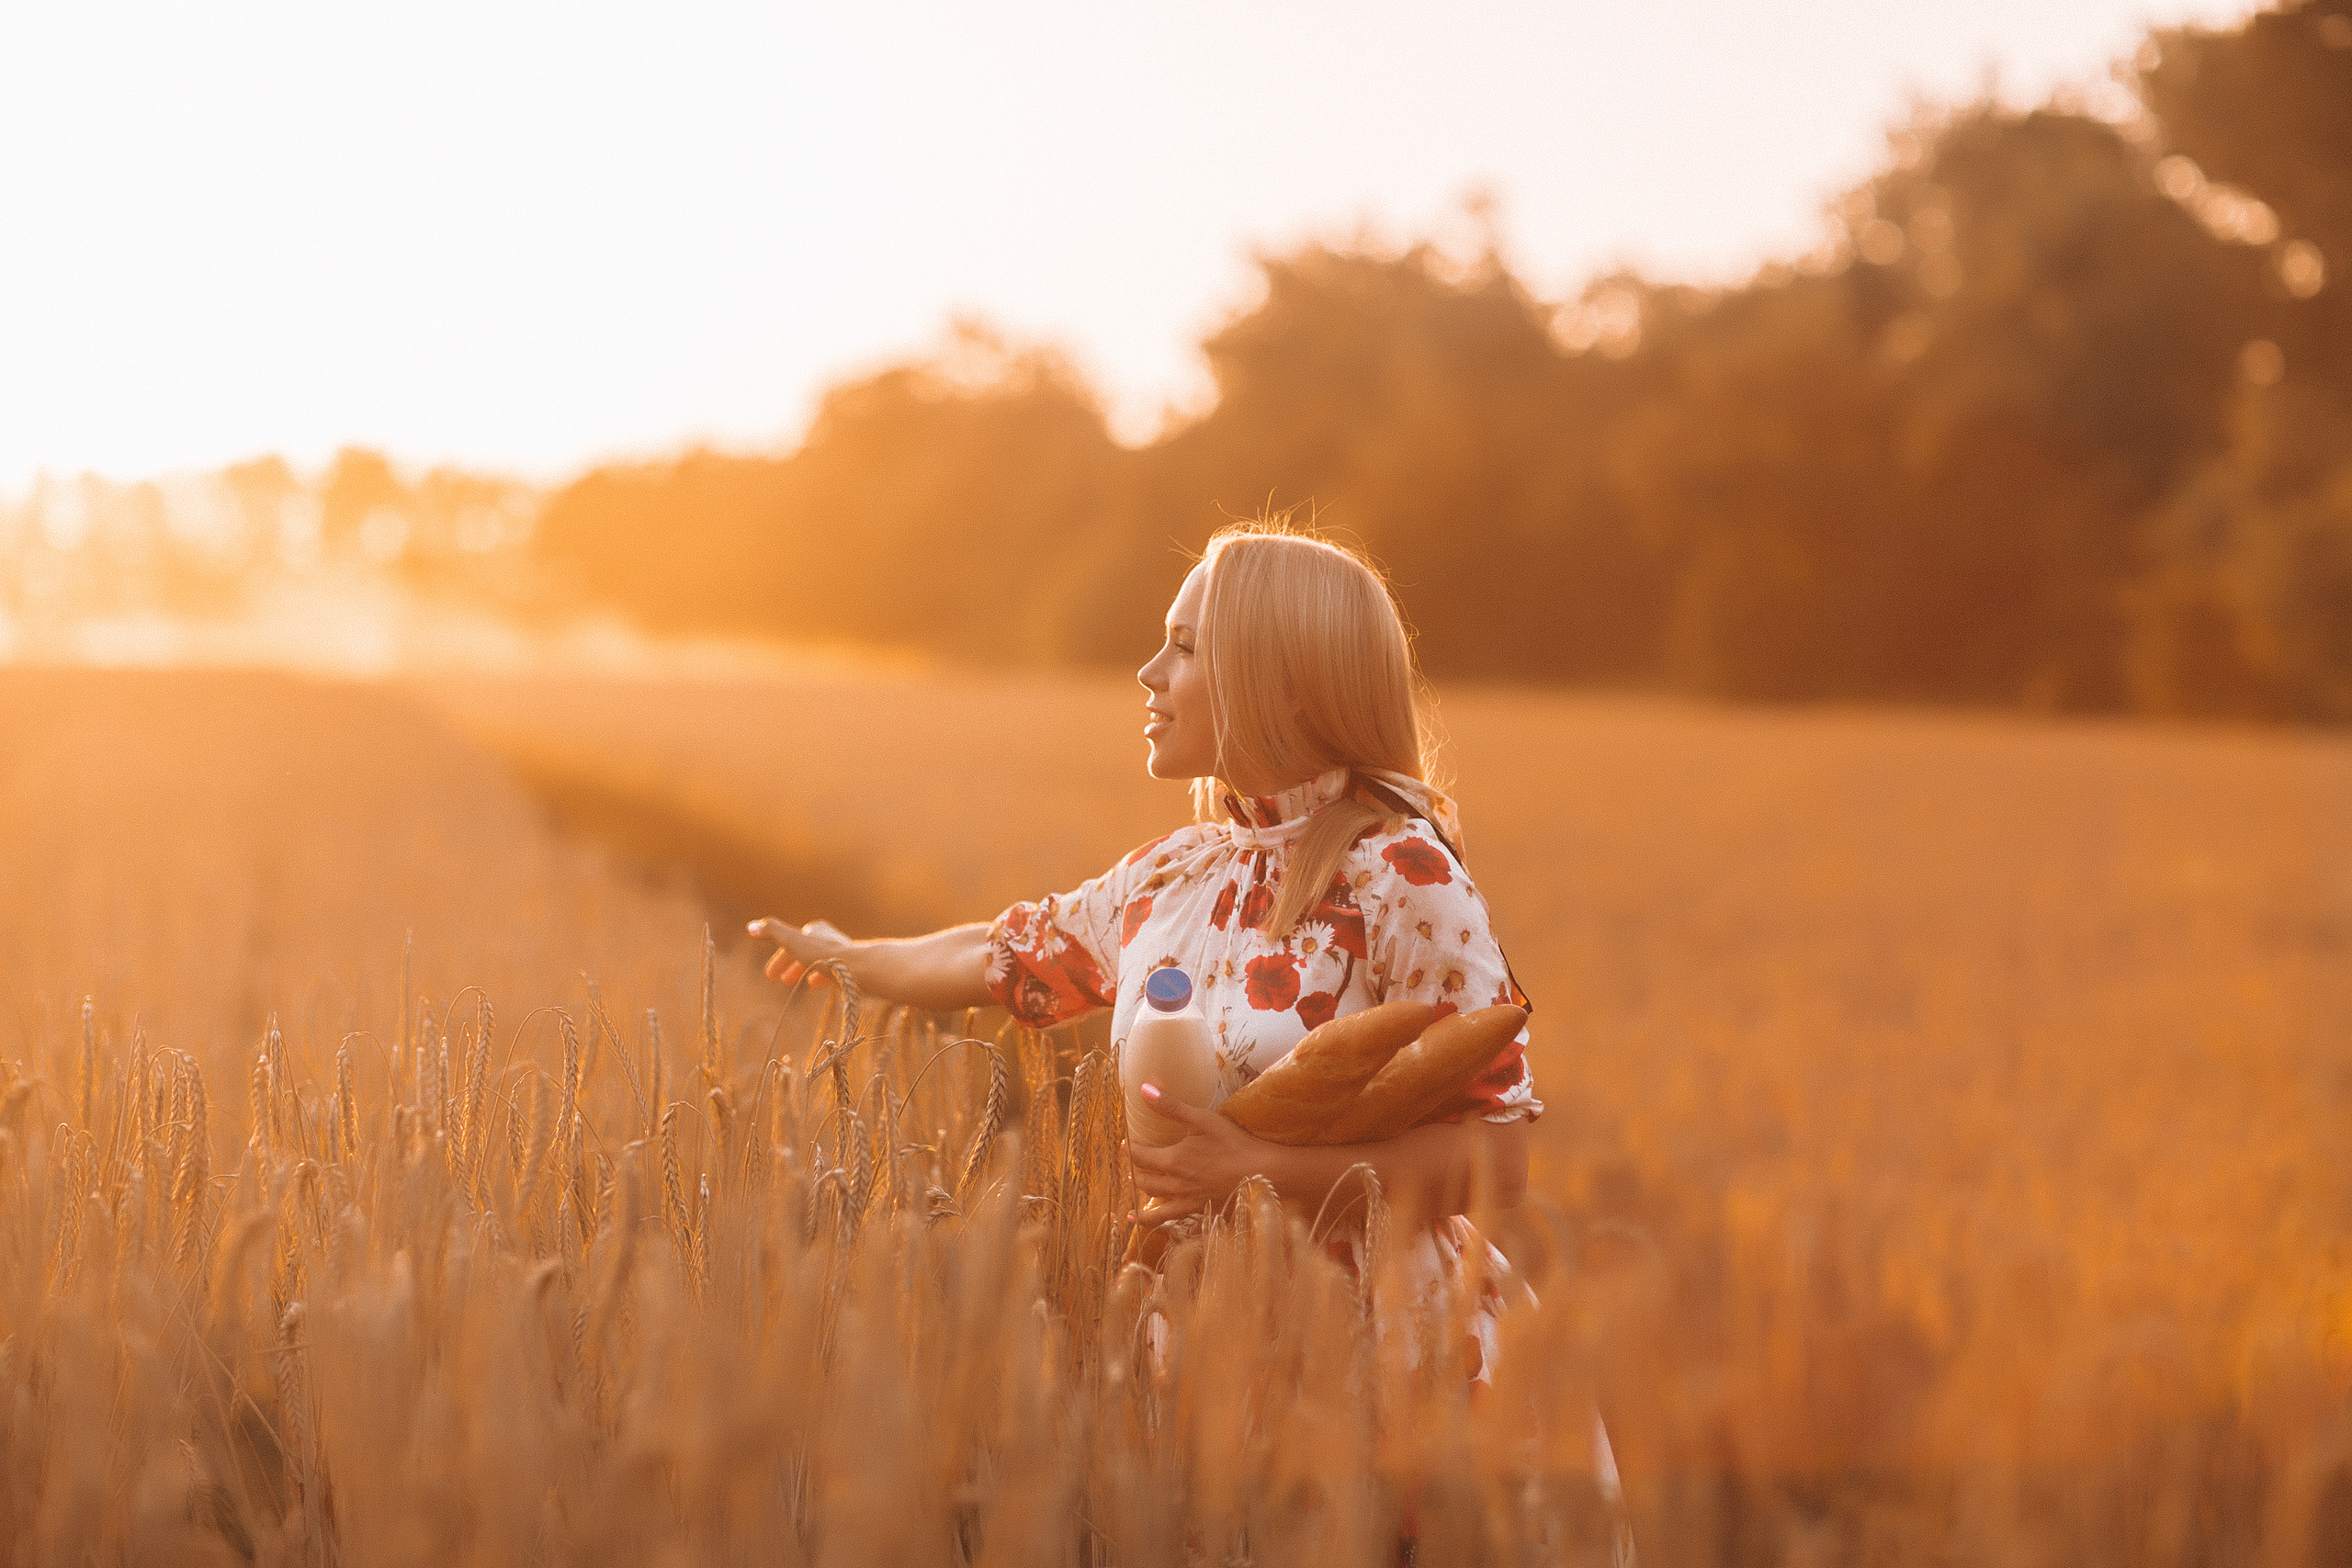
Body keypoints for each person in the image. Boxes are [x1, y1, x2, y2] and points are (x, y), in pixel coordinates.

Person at [754, 520, 1540, 1379]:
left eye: (1183, 649)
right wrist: (851, 956)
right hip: (1206, 1349)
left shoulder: (1403, 871)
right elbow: (1003, 950)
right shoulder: (1174, 874)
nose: (1149, 673)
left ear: (1282, 686)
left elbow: (1497, 1160)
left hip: (1390, 1361)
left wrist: (1264, 1172)